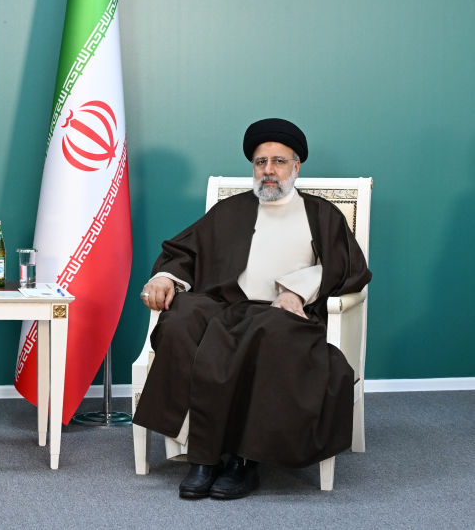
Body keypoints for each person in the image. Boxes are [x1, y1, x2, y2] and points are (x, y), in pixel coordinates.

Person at [131, 118, 371, 500]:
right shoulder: (230, 210)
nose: (269, 170)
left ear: (296, 166)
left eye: (279, 161)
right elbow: (185, 252)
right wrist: (164, 278)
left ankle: (243, 461)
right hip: (225, 306)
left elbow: (346, 268)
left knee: (268, 333)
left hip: (283, 315)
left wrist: (295, 291)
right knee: (182, 322)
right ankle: (203, 457)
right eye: (261, 162)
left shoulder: (321, 214)